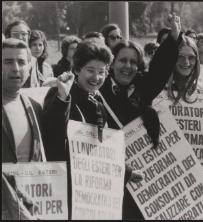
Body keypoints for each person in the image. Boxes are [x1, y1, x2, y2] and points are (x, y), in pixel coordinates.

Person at [42, 40, 143, 219]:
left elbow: (101, 148)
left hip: (94, 193)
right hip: (68, 190)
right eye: (90, 70)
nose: (96, 77)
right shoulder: (59, 94)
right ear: (77, 69)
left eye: (102, 72)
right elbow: (53, 133)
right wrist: (63, 97)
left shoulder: (97, 102)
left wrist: (126, 172)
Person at [99, 13, 183, 219]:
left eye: (133, 62)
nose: (128, 66)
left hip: (140, 181)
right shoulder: (99, 91)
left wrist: (173, 38)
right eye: (122, 61)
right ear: (111, 63)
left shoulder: (142, 88)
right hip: (108, 179)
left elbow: (159, 69)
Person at [2, 38, 47, 163]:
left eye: (21, 62)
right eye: (8, 62)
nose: (15, 68)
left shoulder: (35, 107)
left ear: (29, 68)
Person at [4, 20, 42, 88]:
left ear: (28, 36)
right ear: (8, 36)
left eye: (23, 34)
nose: (20, 37)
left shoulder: (33, 60)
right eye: (15, 34)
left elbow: (35, 85)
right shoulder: (3, 59)